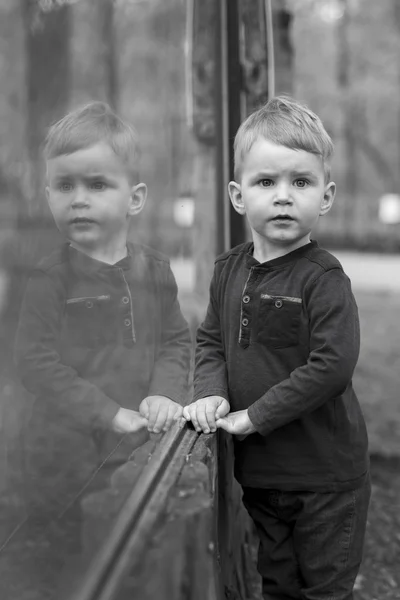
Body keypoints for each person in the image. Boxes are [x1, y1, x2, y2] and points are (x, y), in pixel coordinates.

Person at [183, 96, 370, 600]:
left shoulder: (323, 278)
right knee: (278, 584)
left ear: (325, 196)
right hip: (263, 475)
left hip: (325, 480)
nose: (284, 196)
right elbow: (211, 341)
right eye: (267, 182)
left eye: (301, 182)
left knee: (323, 591)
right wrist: (211, 393)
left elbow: (332, 366)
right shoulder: (227, 270)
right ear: (238, 195)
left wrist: (255, 415)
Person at [15, 101, 191, 527]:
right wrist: (108, 413)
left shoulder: (156, 270)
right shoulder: (49, 276)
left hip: (137, 448)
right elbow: (33, 363)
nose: (78, 200)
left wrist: (164, 394)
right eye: (64, 186)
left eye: (96, 185)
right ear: (48, 196)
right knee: (70, 564)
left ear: (134, 199)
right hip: (64, 459)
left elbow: (175, 341)